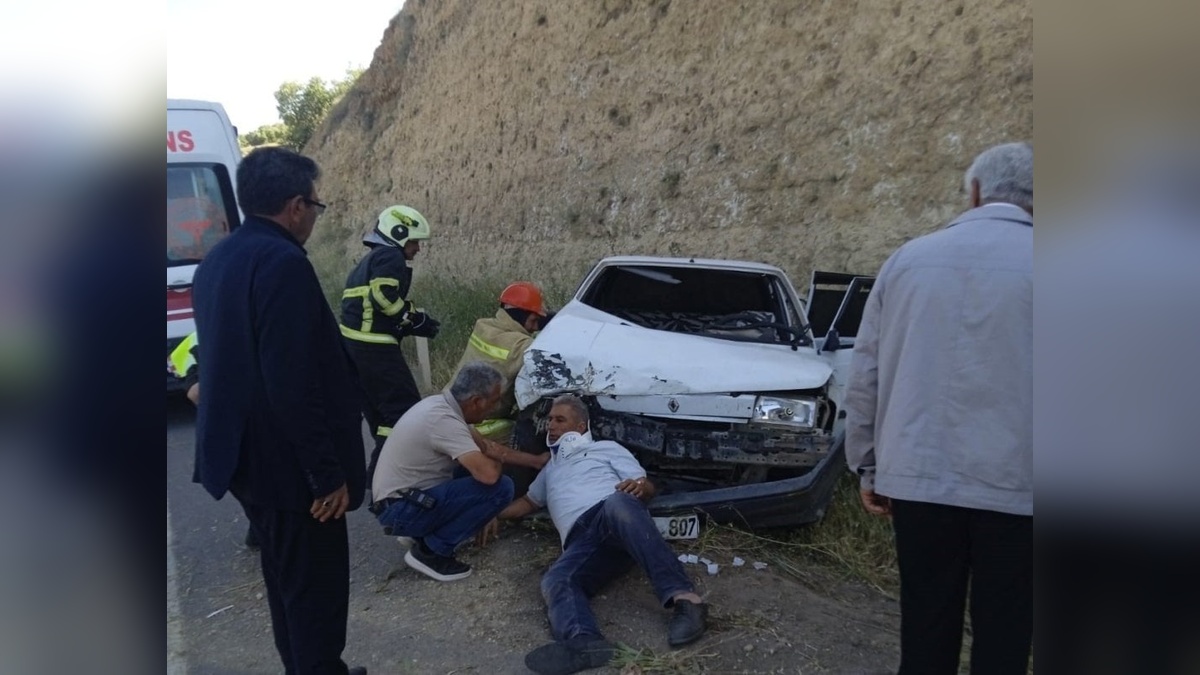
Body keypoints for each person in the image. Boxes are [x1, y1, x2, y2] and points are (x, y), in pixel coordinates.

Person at [843, 141, 1033, 675]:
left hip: (919, 476)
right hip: (1020, 487)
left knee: (926, 621)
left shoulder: (908, 261)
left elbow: (868, 374)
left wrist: (868, 462)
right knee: (1008, 629)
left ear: (974, 192)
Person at [192, 146, 368, 675]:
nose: (316, 215)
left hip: (246, 461)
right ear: (296, 205)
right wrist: (324, 475)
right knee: (315, 591)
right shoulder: (282, 263)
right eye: (316, 205)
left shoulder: (219, 259)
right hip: (290, 469)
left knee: (286, 582)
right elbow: (291, 382)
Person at [494, 394, 708, 675]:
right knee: (557, 579)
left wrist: (640, 488)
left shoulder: (606, 448)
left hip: (612, 518)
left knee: (618, 503)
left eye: (560, 420)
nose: (551, 426)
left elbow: (643, 485)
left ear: (581, 426)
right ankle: (585, 642)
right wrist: (491, 514)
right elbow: (528, 503)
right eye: (549, 420)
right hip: (581, 543)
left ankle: (687, 602)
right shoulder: (550, 469)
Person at [370, 362, 546, 582]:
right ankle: (431, 552)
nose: (496, 407)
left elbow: (489, 448)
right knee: (501, 488)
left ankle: (422, 531)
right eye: (494, 401)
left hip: (400, 499)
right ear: (477, 401)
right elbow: (490, 475)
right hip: (399, 510)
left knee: (470, 466)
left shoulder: (443, 406)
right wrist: (487, 506)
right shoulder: (444, 422)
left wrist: (536, 461)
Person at [339, 204, 441, 486]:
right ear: (399, 234)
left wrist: (409, 321)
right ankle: (389, 484)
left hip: (356, 347)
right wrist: (410, 318)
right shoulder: (389, 255)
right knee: (405, 411)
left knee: (384, 419)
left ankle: (378, 482)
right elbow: (383, 296)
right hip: (374, 348)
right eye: (415, 241)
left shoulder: (370, 260)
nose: (418, 249)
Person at [169, 331, 261, 549]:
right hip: (236, 426)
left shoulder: (199, 334)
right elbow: (197, 392)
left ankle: (259, 529)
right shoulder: (205, 339)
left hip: (222, 429)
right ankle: (260, 529)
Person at [448, 281, 550, 443]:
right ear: (522, 316)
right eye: (533, 320)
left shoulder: (482, 326)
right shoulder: (520, 346)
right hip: (478, 423)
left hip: (448, 409)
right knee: (528, 435)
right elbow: (548, 351)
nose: (535, 328)